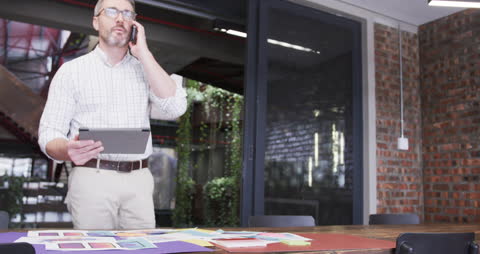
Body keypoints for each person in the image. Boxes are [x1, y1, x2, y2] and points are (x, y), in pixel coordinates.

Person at [38, 0, 187, 229]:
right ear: (96, 21)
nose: (120, 18)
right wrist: (67, 150)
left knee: (142, 248)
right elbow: (49, 131)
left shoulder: (145, 68)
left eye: (127, 13)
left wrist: (144, 53)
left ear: (134, 24)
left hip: (139, 179)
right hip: (91, 177)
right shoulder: (71, 72)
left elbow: (175, 107)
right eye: (111, 11)